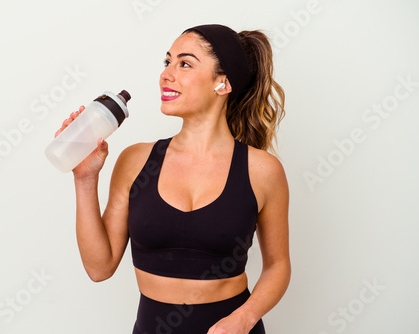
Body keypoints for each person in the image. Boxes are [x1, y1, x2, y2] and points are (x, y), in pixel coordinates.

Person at [55, 24, 290, 334]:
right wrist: (84, 178)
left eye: (185, 63)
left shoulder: (261, 170)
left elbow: (278, 265)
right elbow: (100, 268)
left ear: (222, 83)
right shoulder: (136, 161)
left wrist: (243, 320)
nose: (166, 74)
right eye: (167, 62)